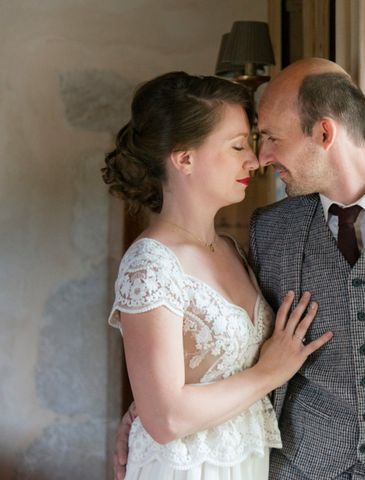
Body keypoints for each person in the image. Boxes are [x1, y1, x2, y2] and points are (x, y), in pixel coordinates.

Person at [115, 58, 365, 480]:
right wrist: (151, 406)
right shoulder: (270, 230)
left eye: (270, 138)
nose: (261, 158)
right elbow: (214, 346)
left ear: (324, 133)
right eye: (246, 143)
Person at [103, 71, 332, 480]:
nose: (253, 160)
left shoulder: (232, 250)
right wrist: (269, 372)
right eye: (237, 145)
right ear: (184, 158)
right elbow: (166, 419)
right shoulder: (151, 263)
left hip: (245, 463)